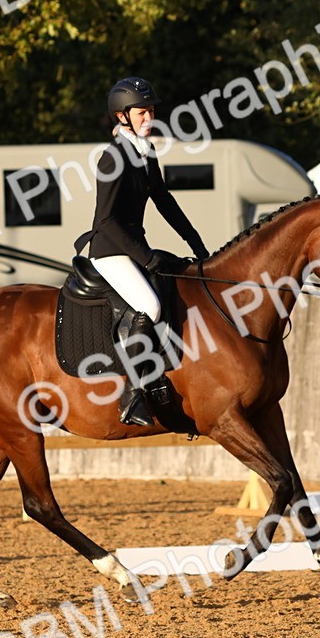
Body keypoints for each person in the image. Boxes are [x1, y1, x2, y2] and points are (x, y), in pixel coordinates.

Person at [73, 77, 209, 427]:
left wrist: (195, 242)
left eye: (151, 111)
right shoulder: (113, 158)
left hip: (134, 247)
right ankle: (131, 394)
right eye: (141, 113)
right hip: (110, 251)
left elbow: (164, 201)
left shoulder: (145, 153)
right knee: (150, 305)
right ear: (122, 117)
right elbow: (106, 221)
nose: (149, 118)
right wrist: (147, 257)